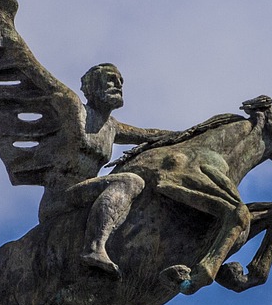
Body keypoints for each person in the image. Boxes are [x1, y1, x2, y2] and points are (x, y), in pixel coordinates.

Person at [36, 63, 173, 276]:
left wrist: (205, 131)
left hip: (85, 195)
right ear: (90, 87)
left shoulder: (112, 126)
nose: (118, 85)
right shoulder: (72, 108)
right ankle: (93, 248)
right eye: (110, 79)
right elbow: (41, 79)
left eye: (120, 82)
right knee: (130, 182)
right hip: (60, 199)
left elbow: (150, 135)